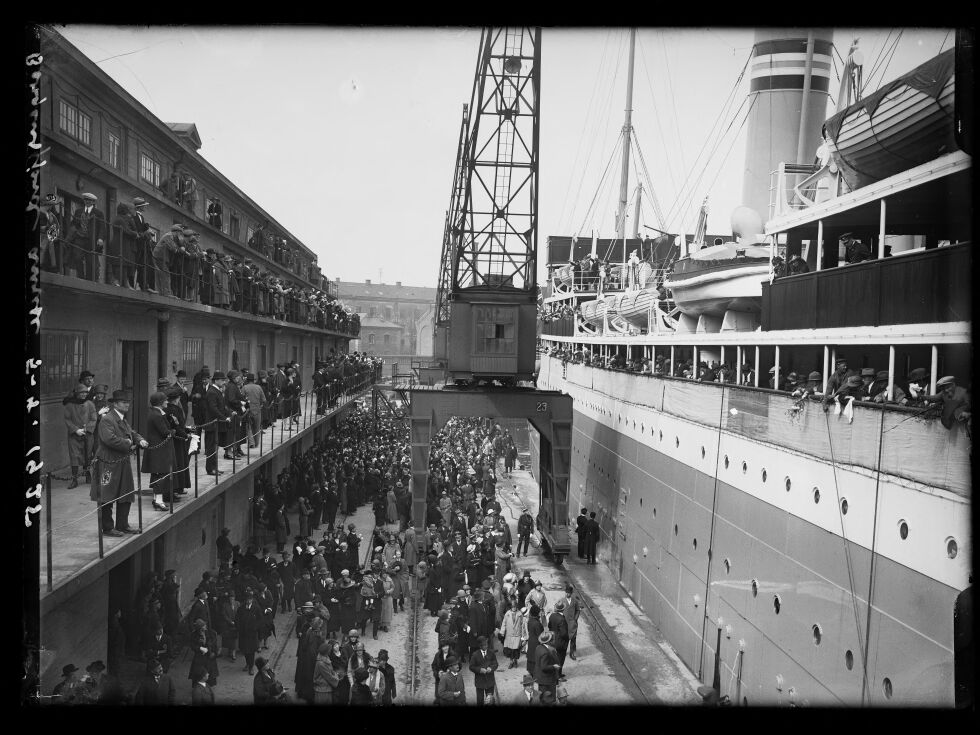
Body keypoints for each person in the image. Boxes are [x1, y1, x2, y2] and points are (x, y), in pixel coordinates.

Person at [90, 389, 148, 536]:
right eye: (123, 402)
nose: (127, 404)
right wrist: (128, 443)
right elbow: (109, 439)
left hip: (122, 460)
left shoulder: (121, 418)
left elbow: (131, 431)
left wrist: (139, 439)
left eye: (128, 402)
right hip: (108, 460)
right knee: (107, 494)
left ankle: (122, 525)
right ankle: (107, 527)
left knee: (126, 492)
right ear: (115, 404)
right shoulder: (107, 419)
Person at [143, 391, 175, 511]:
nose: (167, 401)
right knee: (161, 475)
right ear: (160, 402)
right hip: (159, 450)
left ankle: (157, 499)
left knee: (157, 474)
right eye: (165, 400)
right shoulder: (157, 415)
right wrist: (172, 432)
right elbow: (165, 432)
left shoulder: (155, 413)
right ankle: (159, 501)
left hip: (158, 449)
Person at [65, 192, 105, 282]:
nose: (87, 202)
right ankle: (81, 277)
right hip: (79, 238)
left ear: (93, 202)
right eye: (86, 199)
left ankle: (89, 280)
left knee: (90, 261)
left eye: (90, 200)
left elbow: (102, 227)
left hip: (91, 240)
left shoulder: (98, 213)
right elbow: (74, 224)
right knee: (77, 257)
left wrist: (100, 238)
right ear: (84, 200)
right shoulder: (78, 211)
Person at [64, 383, 96, 489]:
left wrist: (87, 429)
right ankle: (74, 479)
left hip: (87, 434)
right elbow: (67, 419)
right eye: (81, 393)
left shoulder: (90, 404)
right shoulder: (69, 405)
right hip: (74, 435)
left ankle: (87, 474)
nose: (83, 395)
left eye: (85, 393)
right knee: (74, 456)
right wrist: (76, 430)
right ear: (76, 393)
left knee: (87, 454)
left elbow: (93, 418)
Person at [236, 590, 262, 675]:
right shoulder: (241, 608)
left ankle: (251, 667)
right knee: (245, 650)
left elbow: (260, 620)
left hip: (252, 634)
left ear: (252, 600)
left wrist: (255, 627)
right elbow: (237, 619)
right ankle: (247, 663)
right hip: (243, 633)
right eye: (247, 600)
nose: (248, 601)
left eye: (250, 599)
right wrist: (239, 628)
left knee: (251, 651)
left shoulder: (256, 608)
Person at [469, 635, 499, 705]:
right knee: (480, 700)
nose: (486, 646)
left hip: (490, 681)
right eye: (484, 645)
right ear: (480, 646)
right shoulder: (475, 655)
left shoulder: (491, 653)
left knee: (490, 701)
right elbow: (471, 667)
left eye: (486, 644)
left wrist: (491, 668)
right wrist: (479, 670)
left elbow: (496, 664)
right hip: (480, 682)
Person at [534, 631, 560, 700]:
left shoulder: (538, 647)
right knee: (548, 698)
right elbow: (544, 667)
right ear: (549, 641)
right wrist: (554, 666)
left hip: (540, 677)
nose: (554, 641)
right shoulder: (546, 652)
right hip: (547, 679)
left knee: (542, 696)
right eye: (552, 639)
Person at [548, 601, 570, 678]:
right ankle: (558, 676)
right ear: (563, 609)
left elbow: (549, 627)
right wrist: (568, 638)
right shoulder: (562, 619)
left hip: (553, 640)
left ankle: (556, 674)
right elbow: (564, 633)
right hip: (561, 642)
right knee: (560, 659)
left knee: (554, 659)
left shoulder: (552, 616)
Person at [561, 585, 583, 660]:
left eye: (569, 593)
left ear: (571, 593)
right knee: (564, 638)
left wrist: (575, 619)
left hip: (572, 623)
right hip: (564, 623)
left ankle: (572, 653)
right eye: (566, 592)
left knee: (573, 639)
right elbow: (556, 609)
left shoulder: (575, 601)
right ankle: (563, 652)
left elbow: (578, 610)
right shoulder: (561, 600)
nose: (567, 594)